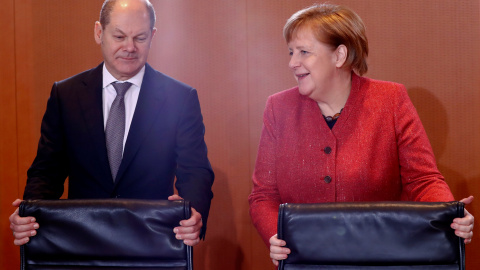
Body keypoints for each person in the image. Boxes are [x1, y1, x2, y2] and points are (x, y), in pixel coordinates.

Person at [248, 3, 474, 266]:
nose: (292, 63)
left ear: (339, 55)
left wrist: (449, 214)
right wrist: (275, 236)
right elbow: (263, 196)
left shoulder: (390, 100)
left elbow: (422, 180)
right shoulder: (279, 108)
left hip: (381, 259)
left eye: (304, 52)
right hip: (304, 259)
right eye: (291, 52)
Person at [9, 0, 214, 247]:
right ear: (99, 32)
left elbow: (195, 170)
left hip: (153, 243)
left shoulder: (179, 98)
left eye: (140, 37)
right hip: (82, 243)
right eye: (119, 36)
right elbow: (47, 171)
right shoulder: (67, 95)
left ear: (152, 36)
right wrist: (30, 213)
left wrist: (193, 212)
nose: (129, 47)